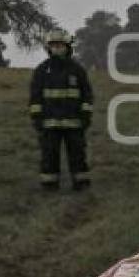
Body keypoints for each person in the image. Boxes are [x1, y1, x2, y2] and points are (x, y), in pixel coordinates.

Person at [29, 29, 93, 191]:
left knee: (78, 154)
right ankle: (49, 184)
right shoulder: (42, 71)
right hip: (49, 124)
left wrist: (86, 114)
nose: (57, 48)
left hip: (75, 123)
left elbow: (87, 94)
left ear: (67, 47)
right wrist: (37, 117)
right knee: (49, 155)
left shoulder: (77, 70)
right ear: (48, 48)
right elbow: (35, 97)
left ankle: (81, 183)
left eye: (60, 45)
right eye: (53, 45)